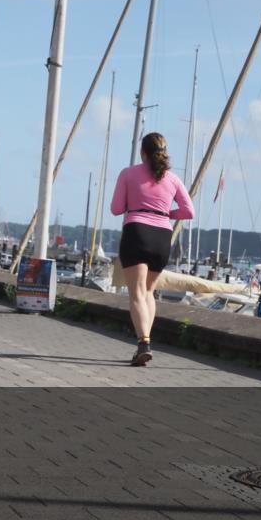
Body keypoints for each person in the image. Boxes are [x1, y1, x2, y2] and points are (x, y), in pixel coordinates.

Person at [110, 133, 194, 366]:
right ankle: (146, 340)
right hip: (162, 237)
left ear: (142, 152)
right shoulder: (173, 179)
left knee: (136, 293)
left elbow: (116, 209)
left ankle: (144, 344)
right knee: (148, 292)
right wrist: (166, 212)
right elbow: (189, 212)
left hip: (137, 231)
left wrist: (135, 203)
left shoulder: (128, 173)